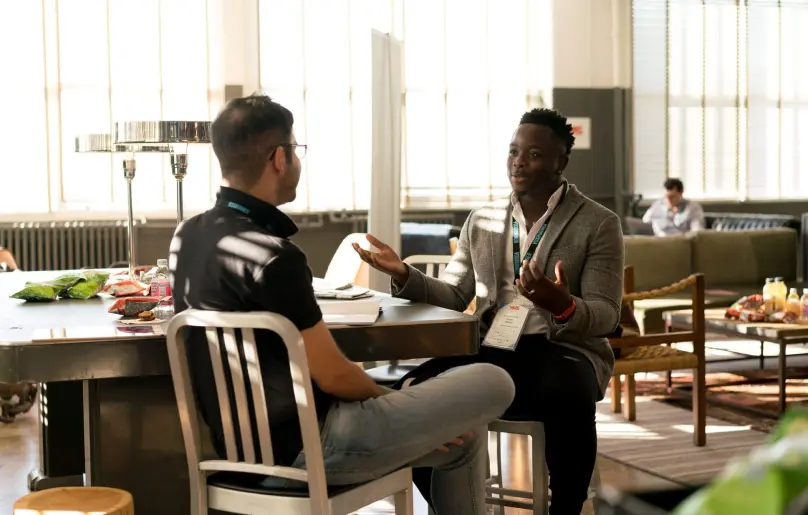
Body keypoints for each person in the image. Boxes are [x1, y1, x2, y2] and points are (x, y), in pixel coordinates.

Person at [169, 93, 515, 515]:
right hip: (311, 446)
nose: (297, 161)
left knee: (465, 436)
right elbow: (334, 376)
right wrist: (388, 401)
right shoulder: (276, 256)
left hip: (234, 451)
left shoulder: (187, 237)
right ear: (279, 157)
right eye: (296, 150)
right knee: (495, 380)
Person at [354, 108, 624, 515]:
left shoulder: (599, 222)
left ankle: (565, 509)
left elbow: (607, 314)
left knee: (569, 390)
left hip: (563, 349)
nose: (518, 161)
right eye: (513, 151)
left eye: (533, 154)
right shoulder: (481, 220)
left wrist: (561, 303)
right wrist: (403, 273)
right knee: (410, 392)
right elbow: (454, 292)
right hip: (493, 348)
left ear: (560, 162)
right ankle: (454, 507)